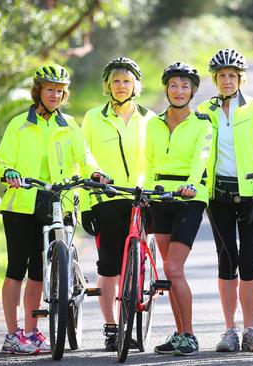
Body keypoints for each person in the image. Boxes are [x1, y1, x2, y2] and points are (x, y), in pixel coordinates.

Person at [0, 64, 105, 355]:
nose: (56, 95)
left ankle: (32, 332)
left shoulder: (69, 125)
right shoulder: (19, 124)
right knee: (17, 268)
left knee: (40, 272)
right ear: (38, 91)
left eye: (60, 90)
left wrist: (96, 173)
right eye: (50, 89)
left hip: (59, 202)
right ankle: (12, 334)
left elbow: (85, 156)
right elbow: (2, 161)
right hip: (22, 203)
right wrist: (10, 172)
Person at [196, 48, 253, 353]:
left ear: (241, 79)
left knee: (249, 260)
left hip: (251, 195)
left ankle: (251, 330)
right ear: (215, 79)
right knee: (226, 261)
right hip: (219, 197)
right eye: (221, 76)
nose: (227, 81)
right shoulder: (205, 109)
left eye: (232, 76)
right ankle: (230, 329)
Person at [78, 57, 156, 351]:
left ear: (137, 84)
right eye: (116, 81)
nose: (121, 86)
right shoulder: (93, 118)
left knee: (134, 265)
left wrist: (147, 186)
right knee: (109, 265)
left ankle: (131, 320)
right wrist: (87, 202)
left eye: (126, 81)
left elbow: (154, 158)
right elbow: (84, 157)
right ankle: (111, 327)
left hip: (139, 198)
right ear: (107, 86)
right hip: (105, 197)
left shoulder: (150, 119)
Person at [146, 62, 212, 357]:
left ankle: (190, 335)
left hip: (189, 198)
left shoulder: (202, 123)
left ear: (193, 90)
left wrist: (192, 184)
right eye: (174, 85)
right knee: (169, 271)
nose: (179, 90)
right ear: (166, 89)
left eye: (185, 86)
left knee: (174, 268)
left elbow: (202, 157)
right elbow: (148, 162)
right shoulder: (154, 123)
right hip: (160, 197)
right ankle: (179, 333)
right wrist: (145, 189)